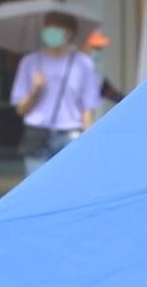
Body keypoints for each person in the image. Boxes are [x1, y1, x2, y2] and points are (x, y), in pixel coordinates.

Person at [11, 12, 101, 175]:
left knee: (69, 187)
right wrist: (35, 90)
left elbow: (87, 108)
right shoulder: (30, 62)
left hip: (69, 135)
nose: (51, 31)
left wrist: (88, 140)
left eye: (57, 27)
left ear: (70, 32)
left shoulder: (82, 63)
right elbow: (20, 109)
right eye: (48, 27)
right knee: (36, 189)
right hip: (37, 134)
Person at [80, 29, 125, 104]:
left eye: (99, 48)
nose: (98, 50)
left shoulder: (94, 58)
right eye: (96, 47)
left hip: (99, 84)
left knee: (120, 99)